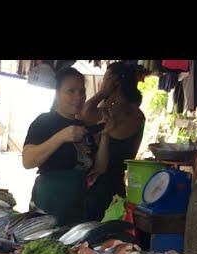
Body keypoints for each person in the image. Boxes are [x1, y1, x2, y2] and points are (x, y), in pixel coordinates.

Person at [23, 68, 108, 226]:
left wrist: (106, 135)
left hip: (78, 204)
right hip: (49, 201)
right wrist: (61, 137)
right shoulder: (44, 122)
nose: (78, 97)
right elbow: (27, 161)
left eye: (82, 92)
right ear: (57, 93)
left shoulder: (82, 127)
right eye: (71, 91)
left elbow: (100, 168)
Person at [81, 62, 146, 220]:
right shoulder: (138, 115)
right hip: (117, 185)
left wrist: (102, 93)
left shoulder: (108, 111)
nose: (102, 83)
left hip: (97, 185)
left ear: (113, 81)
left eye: (105, 79)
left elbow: (82, 115)